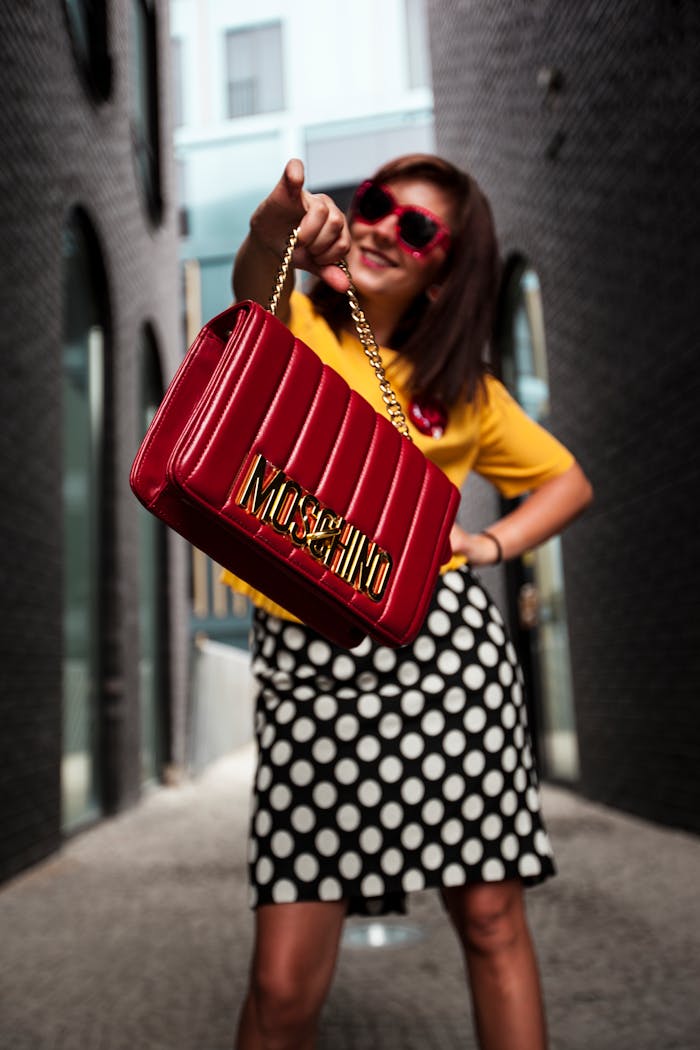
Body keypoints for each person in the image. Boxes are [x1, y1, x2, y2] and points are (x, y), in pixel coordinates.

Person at [222, 155, 593, 1050]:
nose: (389, 226)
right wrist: (275, 231)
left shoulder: (463, 387)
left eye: (420, 227)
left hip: (448, 656)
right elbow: (249, 299)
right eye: (380, 205)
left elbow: (567, 481)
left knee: (493, 917)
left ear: (444, 268)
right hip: (312, 657)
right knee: (282, 981)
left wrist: (487, 542)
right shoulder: (300, 324)